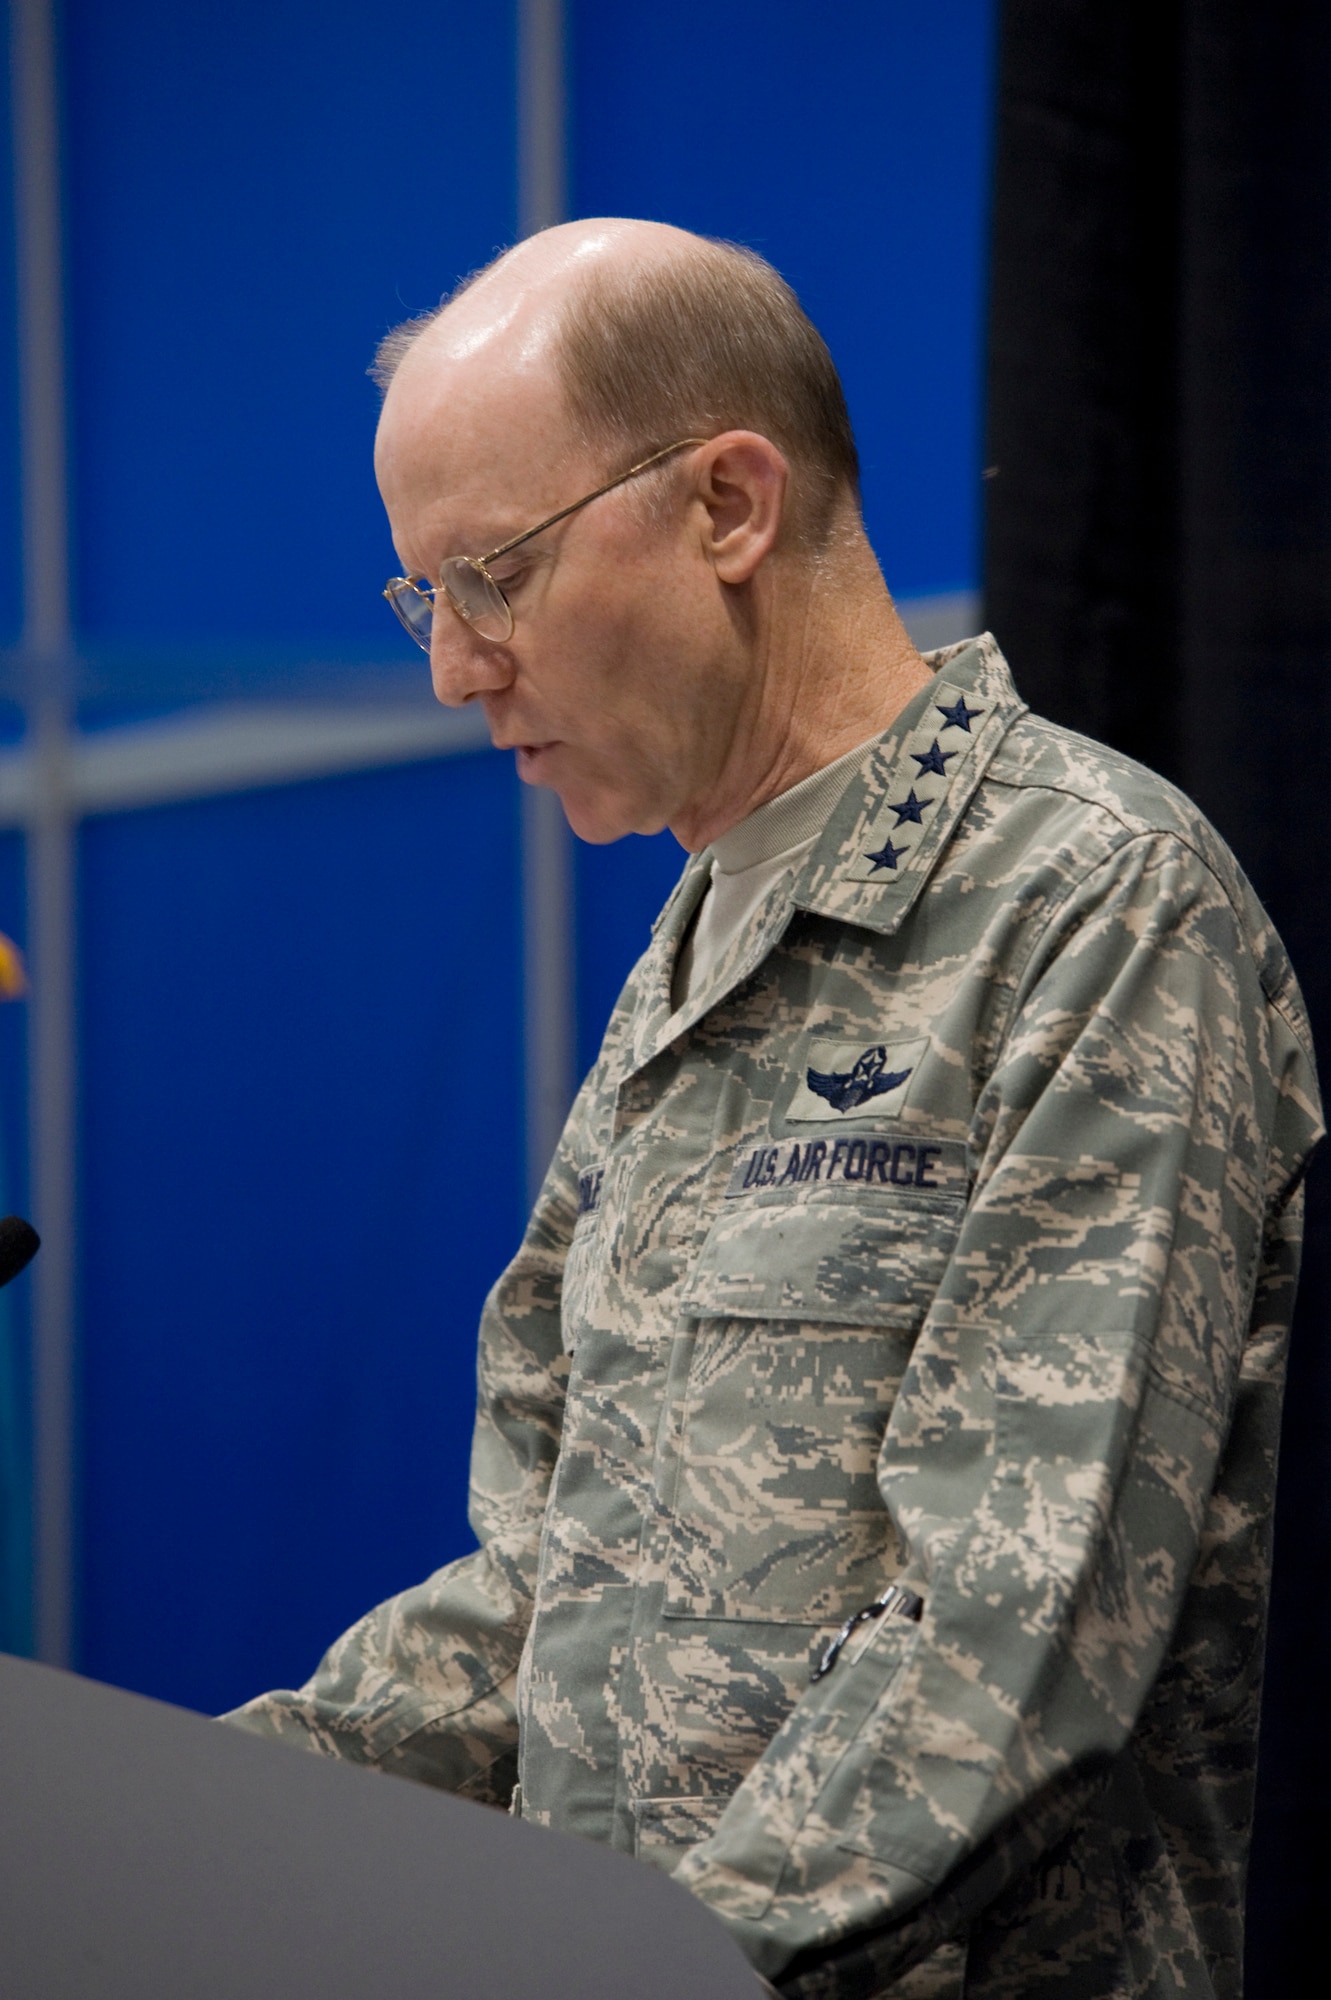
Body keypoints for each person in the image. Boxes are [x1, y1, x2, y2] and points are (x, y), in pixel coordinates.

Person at [224, 220, 1322, 2000]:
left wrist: (632, 1973)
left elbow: (1009, 1642)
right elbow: (548, 1599)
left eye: (489, 575)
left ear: (728, 504)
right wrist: (185, 1827)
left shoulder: (1092, 905)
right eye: (424, 599)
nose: (453, 667)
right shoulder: (688, 958)